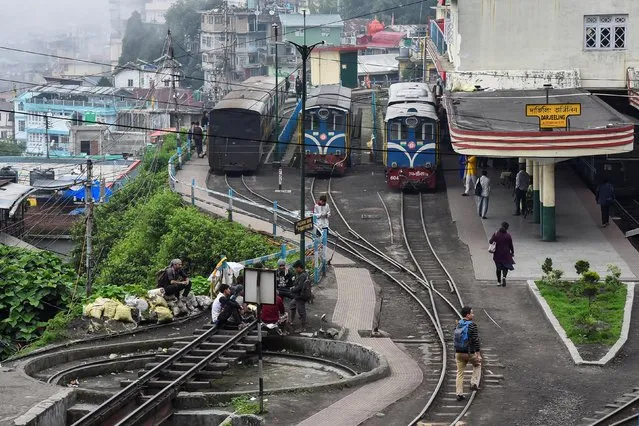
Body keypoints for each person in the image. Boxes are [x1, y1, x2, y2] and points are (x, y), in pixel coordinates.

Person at [454, 306, 482, 401]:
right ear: (468, 315)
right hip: (469, 353)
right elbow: (476, 340)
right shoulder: (472, 325)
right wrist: (478, 354)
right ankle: (473, 383)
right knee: (477, 364)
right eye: (472, 313)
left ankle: (459, 394)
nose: (473, 315)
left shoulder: (458, 324)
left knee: (460, 373)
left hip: (458, 353)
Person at [489, 222, 514, 287]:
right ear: (507, 228)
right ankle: (504, 277)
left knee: (498, 268)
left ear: (501, 226)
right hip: (506, 254)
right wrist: (512, 252)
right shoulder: (508, 235)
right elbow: (511, 245)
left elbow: (490, 241)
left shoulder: (496, 234)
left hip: (497, 254)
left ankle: (498, 282)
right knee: (506, 266)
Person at [289, 260, 312, 330]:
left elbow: (299, 287)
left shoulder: (302, 276)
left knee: (301, 311)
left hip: (301, 296)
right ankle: (291, 320)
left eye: (296, 268)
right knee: (292, 305)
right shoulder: (304, 274)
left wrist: (292, 289)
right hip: (299, 296)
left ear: (299, 267)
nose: (295, 270)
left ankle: (303, 327)